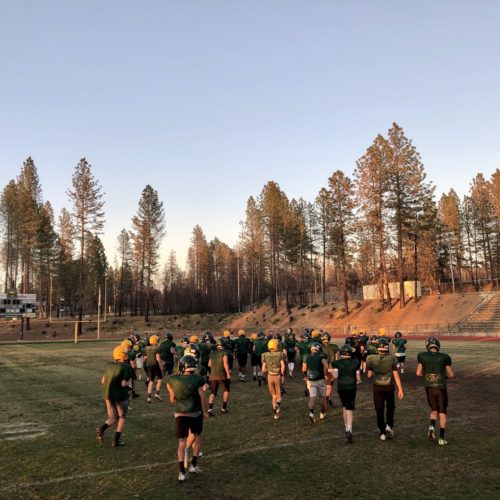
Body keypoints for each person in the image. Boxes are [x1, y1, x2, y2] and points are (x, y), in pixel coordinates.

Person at [166, 355, 209, 482]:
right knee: (198, 436)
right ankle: (193, 465)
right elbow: (202, 397)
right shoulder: (198, 379)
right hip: (194, 412)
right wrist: (205, 412)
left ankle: (181, 472)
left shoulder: (173, 379)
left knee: (181, 442)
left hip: (179, 413)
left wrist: (173, 394)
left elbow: (172, 398)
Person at [416, 336, 454, 446]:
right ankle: (441, 438)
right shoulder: (444, 357)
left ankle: (432, 425)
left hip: (429, 387)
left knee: (433, 410)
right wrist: (443, 377)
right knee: (442, 412)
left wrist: (429, 376)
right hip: (441, 388)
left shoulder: (422, 356)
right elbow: (451, 375)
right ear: (438, 346)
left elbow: (418, 373)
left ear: (428, 346)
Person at [366, 337, 404, 441]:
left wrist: (374, 370)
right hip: (389, 387)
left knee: (379, 409)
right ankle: (389, 426)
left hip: (377, 387)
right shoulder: (392, 359)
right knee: (390, 407)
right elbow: (396, 375)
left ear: (377, 348)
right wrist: (400, 389)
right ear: (388, 348)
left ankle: (382, 432)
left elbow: (369, 375)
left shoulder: (371, 358)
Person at [96, 346, 134, 447]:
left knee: (113, 418)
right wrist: (129, 381)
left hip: (107, 395)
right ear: (122, 355)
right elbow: (123, 384)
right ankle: (116, 441)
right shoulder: (126, 366)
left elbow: (103, 381)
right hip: (119, 395)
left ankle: (102, 428)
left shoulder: (109, 365)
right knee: (122, 417)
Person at [330, 344, 361, 443]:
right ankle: (349, 428)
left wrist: (331, 371)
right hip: (351, 386)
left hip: (342, 387)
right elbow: (358, 378)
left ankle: (346, 427)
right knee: (350, 407)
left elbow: (335, 376)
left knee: (344, 406)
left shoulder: (336, 363)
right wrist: (359, 381)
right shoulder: (356, 362)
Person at [302, 342, 329, 423]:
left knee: (312, 397)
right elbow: (326, 366)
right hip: (320, 379)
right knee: (322, 396)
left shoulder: (306, 356)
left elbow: (304, 369)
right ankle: (322, 412)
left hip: (310, 379)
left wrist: (306, 378)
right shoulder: (322, 355)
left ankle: (311, 413)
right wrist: (325, 374)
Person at [261, 339, 286, 419]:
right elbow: (282, 365)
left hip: (270, 376)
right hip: (277, 376)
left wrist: (267, 370)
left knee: (273, 396)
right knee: (279, 395)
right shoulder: (280, 354)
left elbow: (263, 369)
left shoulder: (265, 355)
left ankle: (275, 414)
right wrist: (282, 374)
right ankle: (277, 406)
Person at [208, 338, 231, 415]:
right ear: (224, 345)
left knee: (213, 392)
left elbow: (209, 364)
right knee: (226, 390)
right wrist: (228, 373)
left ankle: (210, 409)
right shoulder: (224, 352)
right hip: (222, 375)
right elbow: (225, 363)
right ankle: (224, 408)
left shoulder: (212, 353)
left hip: (213, 375)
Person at [142, 334, 163, 402]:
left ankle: (149, 397)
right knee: (160, 379)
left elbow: (144, 358)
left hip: (148, 365)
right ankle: (157, 393)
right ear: (155, 341)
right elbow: (157, 358)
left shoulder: (145, 348)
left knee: (151, 381)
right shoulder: (157, 348)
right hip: (155, 365)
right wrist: (161, 364)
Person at [321, 332, 339, 408]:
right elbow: (337, 358)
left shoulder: (320, 347)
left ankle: (325, 401)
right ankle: (327, 399)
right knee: (329, 386)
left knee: (322, 386)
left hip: (322, 368)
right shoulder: (335, 346)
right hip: (332, 368)